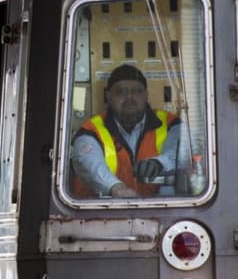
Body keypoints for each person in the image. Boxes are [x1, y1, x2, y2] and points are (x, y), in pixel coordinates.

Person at [70, 63, 180, 198]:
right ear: (109, 97)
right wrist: (115, 187)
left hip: (159, 211)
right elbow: (88, 163)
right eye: (121, 91)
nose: (129, 97)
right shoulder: (91, 130)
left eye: (136, 91)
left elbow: (182, 153)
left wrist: (160, 163)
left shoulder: (169, 124)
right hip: (102, 214)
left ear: (146, 95)